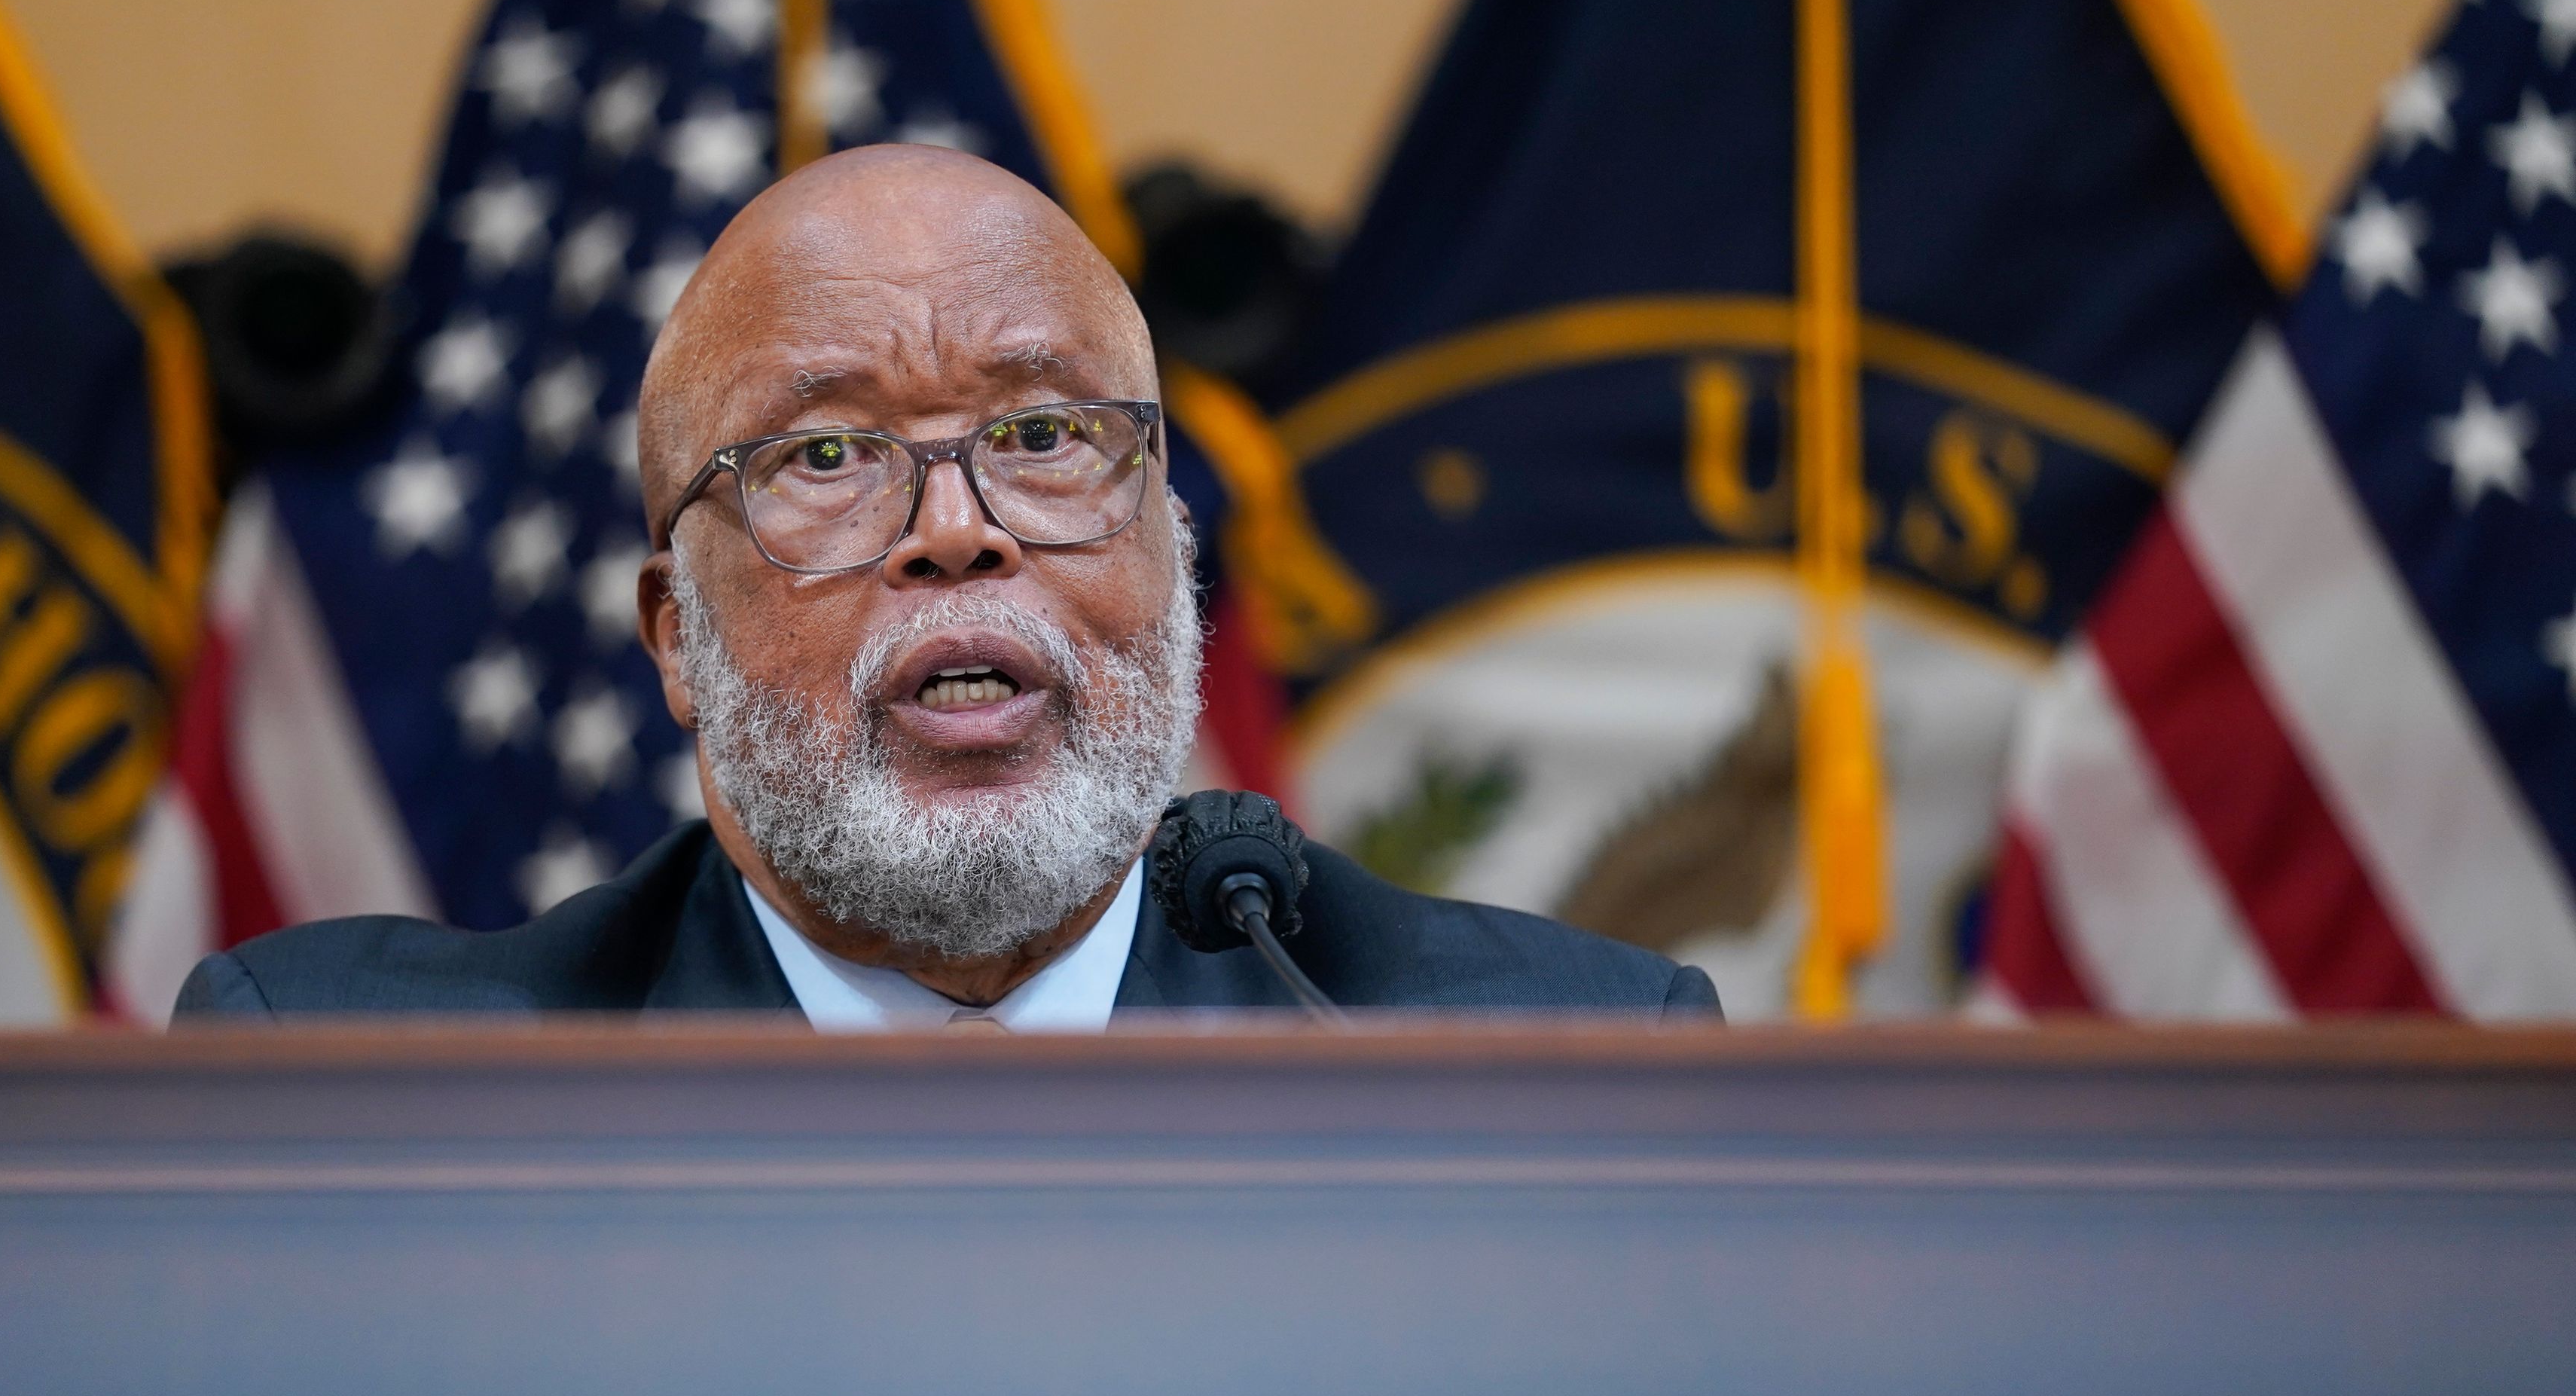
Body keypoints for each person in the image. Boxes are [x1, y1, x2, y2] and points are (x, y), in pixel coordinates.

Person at [174, 147, 1719, 1025]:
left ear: (1173, 555)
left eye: (1044, 433)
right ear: (677, 637)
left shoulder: (1548, 1071)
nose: (960, 529)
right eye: (829, 454)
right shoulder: (354, 1089)